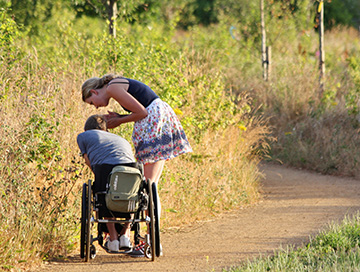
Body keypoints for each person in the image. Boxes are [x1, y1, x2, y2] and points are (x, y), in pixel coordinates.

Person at [81, 74, 192, 256]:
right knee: (150, 186)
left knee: (148, 187)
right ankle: (151, 240)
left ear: (94, 91)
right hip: (156, 118)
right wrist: (122, 116)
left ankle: (150, 241)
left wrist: (118, 121)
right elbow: (142, 108)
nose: (97, 106)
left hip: (153, 121)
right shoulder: (115, 86)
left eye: (93, 102)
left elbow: (142, 113)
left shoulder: (112, 88)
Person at [77, 114, 137, 252]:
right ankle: (125, 234)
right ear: (105, 129)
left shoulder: (83, 136)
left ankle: (114, 238)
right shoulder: (121, 139)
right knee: (132, 195)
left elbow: (87, 160)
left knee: (103, 195)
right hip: (132, 170)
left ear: (87, 128)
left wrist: (99, 174)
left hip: (105, 169)